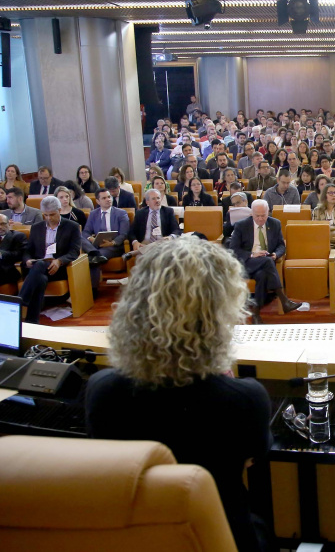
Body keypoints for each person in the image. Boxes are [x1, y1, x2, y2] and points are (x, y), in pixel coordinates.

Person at [86, 236, 273, 552]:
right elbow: (254, 457)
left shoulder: (102, 390)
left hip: (137, 539)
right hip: (221, 537)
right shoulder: (245, 399)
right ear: (219, 312)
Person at [226, 199, 302, 324]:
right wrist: (252, 254)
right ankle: (283, 300)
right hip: (247, 263)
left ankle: (256, 314)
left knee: (262, 273)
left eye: (263, 215)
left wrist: (275, 255)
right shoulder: (241, 225)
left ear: (268, 213)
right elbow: (233, 249)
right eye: (257, 216)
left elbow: (281, 246)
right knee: (267, 262)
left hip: (264, 264)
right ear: (252, 213)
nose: (261, 219)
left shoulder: (275, 223)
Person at [18, 196, 82, 323]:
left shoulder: (72, 226)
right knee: (40, 277)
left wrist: (59, 261)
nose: (48, 218)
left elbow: (74, 251)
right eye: (45, 215)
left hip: (59, 268)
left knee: (40, 268)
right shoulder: (37, 227)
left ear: (59, 210)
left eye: (52, 215)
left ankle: (21, 300)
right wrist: (27, 260)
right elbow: (27, 250)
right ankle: (32, 322)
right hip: (38, 268)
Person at [83, 188, 130, 284]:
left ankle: (93, 289)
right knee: (79, 236)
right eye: (104, 198)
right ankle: (94, 253)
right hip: (96, 245)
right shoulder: (93, 214)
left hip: (113, 246)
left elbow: (124, 234)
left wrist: (112, 243)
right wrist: (92, 239)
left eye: (109, 197)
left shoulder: (121, 213)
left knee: (93, 260)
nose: (108, 199)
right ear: (98, 201)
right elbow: (85, 232)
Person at [125, 189, 182, 260]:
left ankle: (135, 253)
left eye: (158, 198)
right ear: (147, 202)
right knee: (141, 258)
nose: (157, 200)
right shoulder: (140, 213)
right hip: (145, 244)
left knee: (163, 255)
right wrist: (135, 242)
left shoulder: (168, 211)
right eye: (153, 199)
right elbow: (131, 232)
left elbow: (177, 230)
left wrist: (170, 237)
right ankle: (143, 251)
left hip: (163, 244)